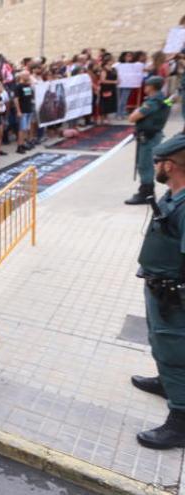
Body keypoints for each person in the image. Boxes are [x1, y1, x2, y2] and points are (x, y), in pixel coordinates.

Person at [129, 134, 185, 449]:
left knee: (176, 351)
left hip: (174, 297)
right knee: (160, 343)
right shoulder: (172, 195)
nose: (156, 168)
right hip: (159, 289)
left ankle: (180, 420)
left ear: (171, 165)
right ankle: (167, 383)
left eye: (158, 163)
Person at [125, 76, 172, 205]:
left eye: (146, 85)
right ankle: (146, 191)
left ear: (151, 87)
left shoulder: (153, 102)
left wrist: (136, 111)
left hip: (148, 137)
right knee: (145, 164)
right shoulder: (162, 99)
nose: (144, 87)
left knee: (145, 165)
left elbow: (132, 117)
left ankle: (146, 193)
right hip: (152, 135)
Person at [13, 71, 35, 154]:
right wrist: (18, 111)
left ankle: (24, 143)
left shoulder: (28, 85)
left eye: (29, 75)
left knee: (26, 128)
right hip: (23, 111)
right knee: (21, 129)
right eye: (27, 75)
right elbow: (16, 99)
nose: (29, 76)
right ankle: (19, 146)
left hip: (29, 109)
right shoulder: (18, 87)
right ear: (22, 76)